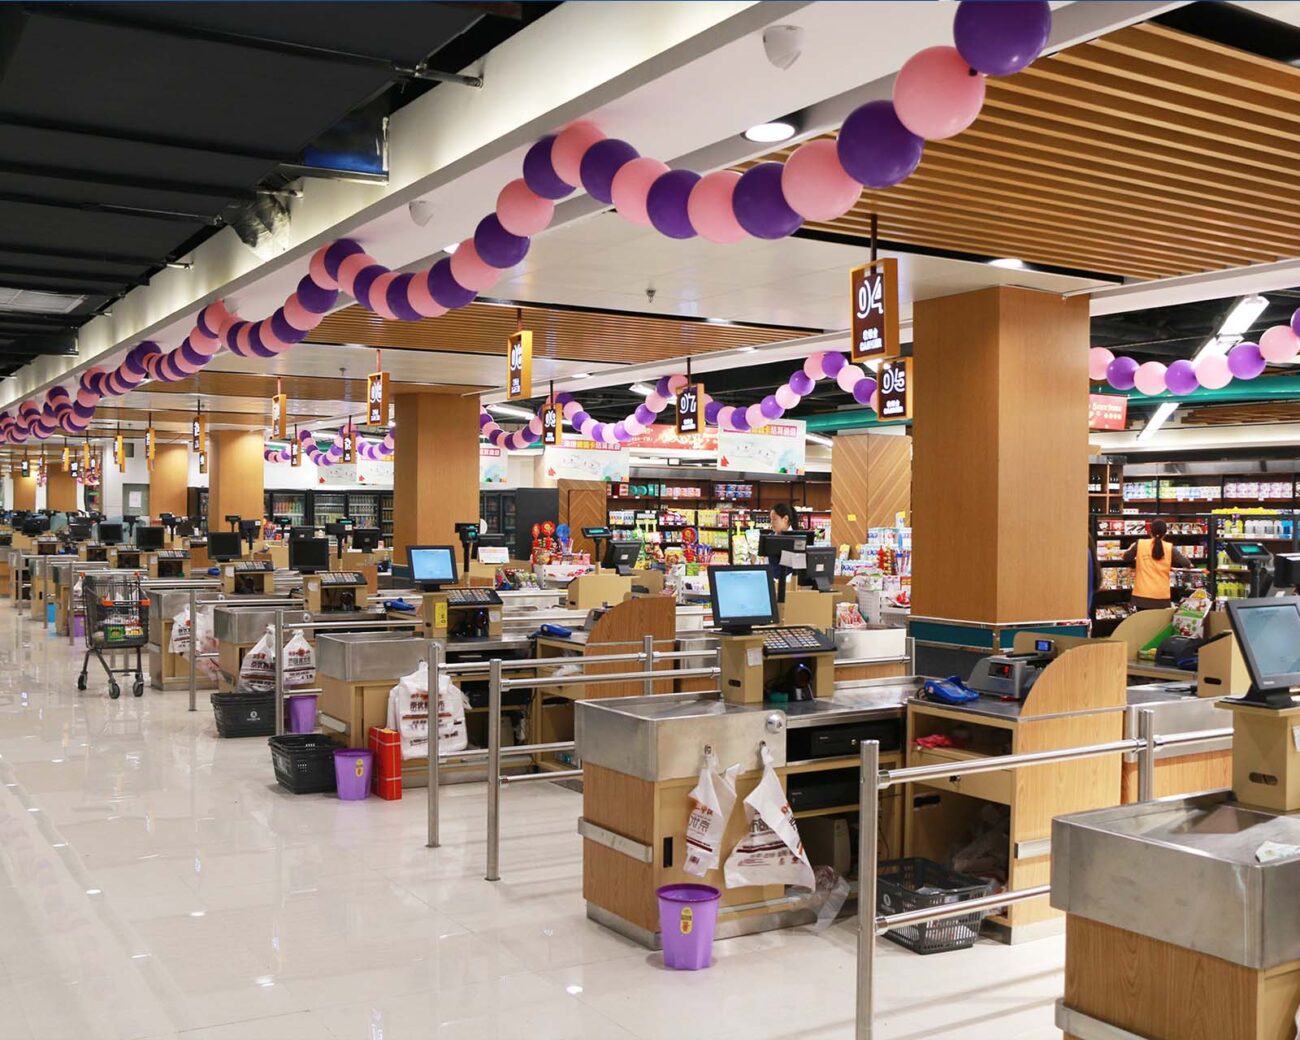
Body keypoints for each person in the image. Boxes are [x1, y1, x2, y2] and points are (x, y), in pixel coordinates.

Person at [1122, 519, 1192, 610]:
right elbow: (1186, 563)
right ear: (1165, 533)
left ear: (1150, 531)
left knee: (1143, 619)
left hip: (1142, 594)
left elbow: (1126, 558)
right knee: (1158, 620)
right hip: (1161, 595)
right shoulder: (1169, 547)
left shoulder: (1140, 544)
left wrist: (1130, 548)